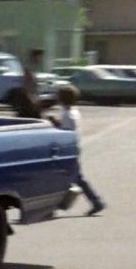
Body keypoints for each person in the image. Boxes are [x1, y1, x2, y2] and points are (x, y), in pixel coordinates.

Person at [48, 85, 106, 216]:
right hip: (72, 148)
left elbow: (66, 132)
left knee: (63, 176)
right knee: (76, 177)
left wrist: (55, 124)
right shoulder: (72, 112)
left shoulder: (68, 115)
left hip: (67, 149)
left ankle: (54, 206)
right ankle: (96, 202)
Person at [14, 49, 44, 119]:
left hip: (32, 100)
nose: (40, 60)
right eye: (38, 57)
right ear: (34, 58)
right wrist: (32, 100)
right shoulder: (28, 70)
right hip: (28, 101)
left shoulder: (34, 69)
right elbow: (27, 86)